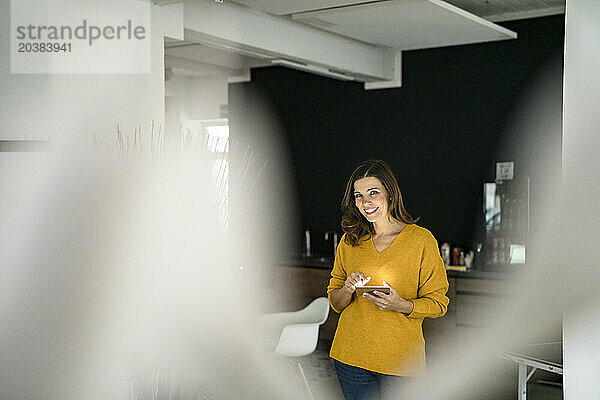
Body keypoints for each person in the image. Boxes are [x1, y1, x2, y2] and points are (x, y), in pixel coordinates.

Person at [327, 160, 449, 400]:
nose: (365, 202)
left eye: (373, 193)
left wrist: (400, 305)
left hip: (402, 362)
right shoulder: (350, 240)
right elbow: (335, 301)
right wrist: (347, 289)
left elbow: (439, 304)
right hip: (350, 357)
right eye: (358, 195)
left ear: (390, 195)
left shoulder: (421, 240)